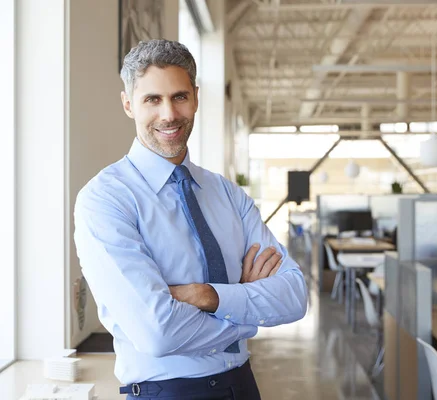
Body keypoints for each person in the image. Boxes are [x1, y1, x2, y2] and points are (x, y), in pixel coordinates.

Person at [74, 39, 308, 400]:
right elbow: (158, 333)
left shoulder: (227, 194)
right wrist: (246, 308)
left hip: (243, 386)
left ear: (195, 98)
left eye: (179, 97)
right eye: (152, 99)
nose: (169, 114)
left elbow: (293, 296)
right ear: (128, 105)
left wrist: (208, 296)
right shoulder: (106, 199)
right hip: (164, 392)